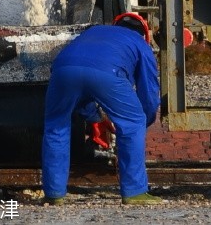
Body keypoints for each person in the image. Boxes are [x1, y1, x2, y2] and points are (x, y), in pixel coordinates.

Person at [41, 12, 161, 206]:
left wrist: (95, 118)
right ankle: (134, 192)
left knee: (56, 126)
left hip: (62, 69)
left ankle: (54, 194)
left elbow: (83, 74)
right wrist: (144, 120)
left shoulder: (94, 31)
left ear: (115, 24)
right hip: (108, 73)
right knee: (132, 123)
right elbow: (148, 91)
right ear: (144, 34)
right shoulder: (140, 43)